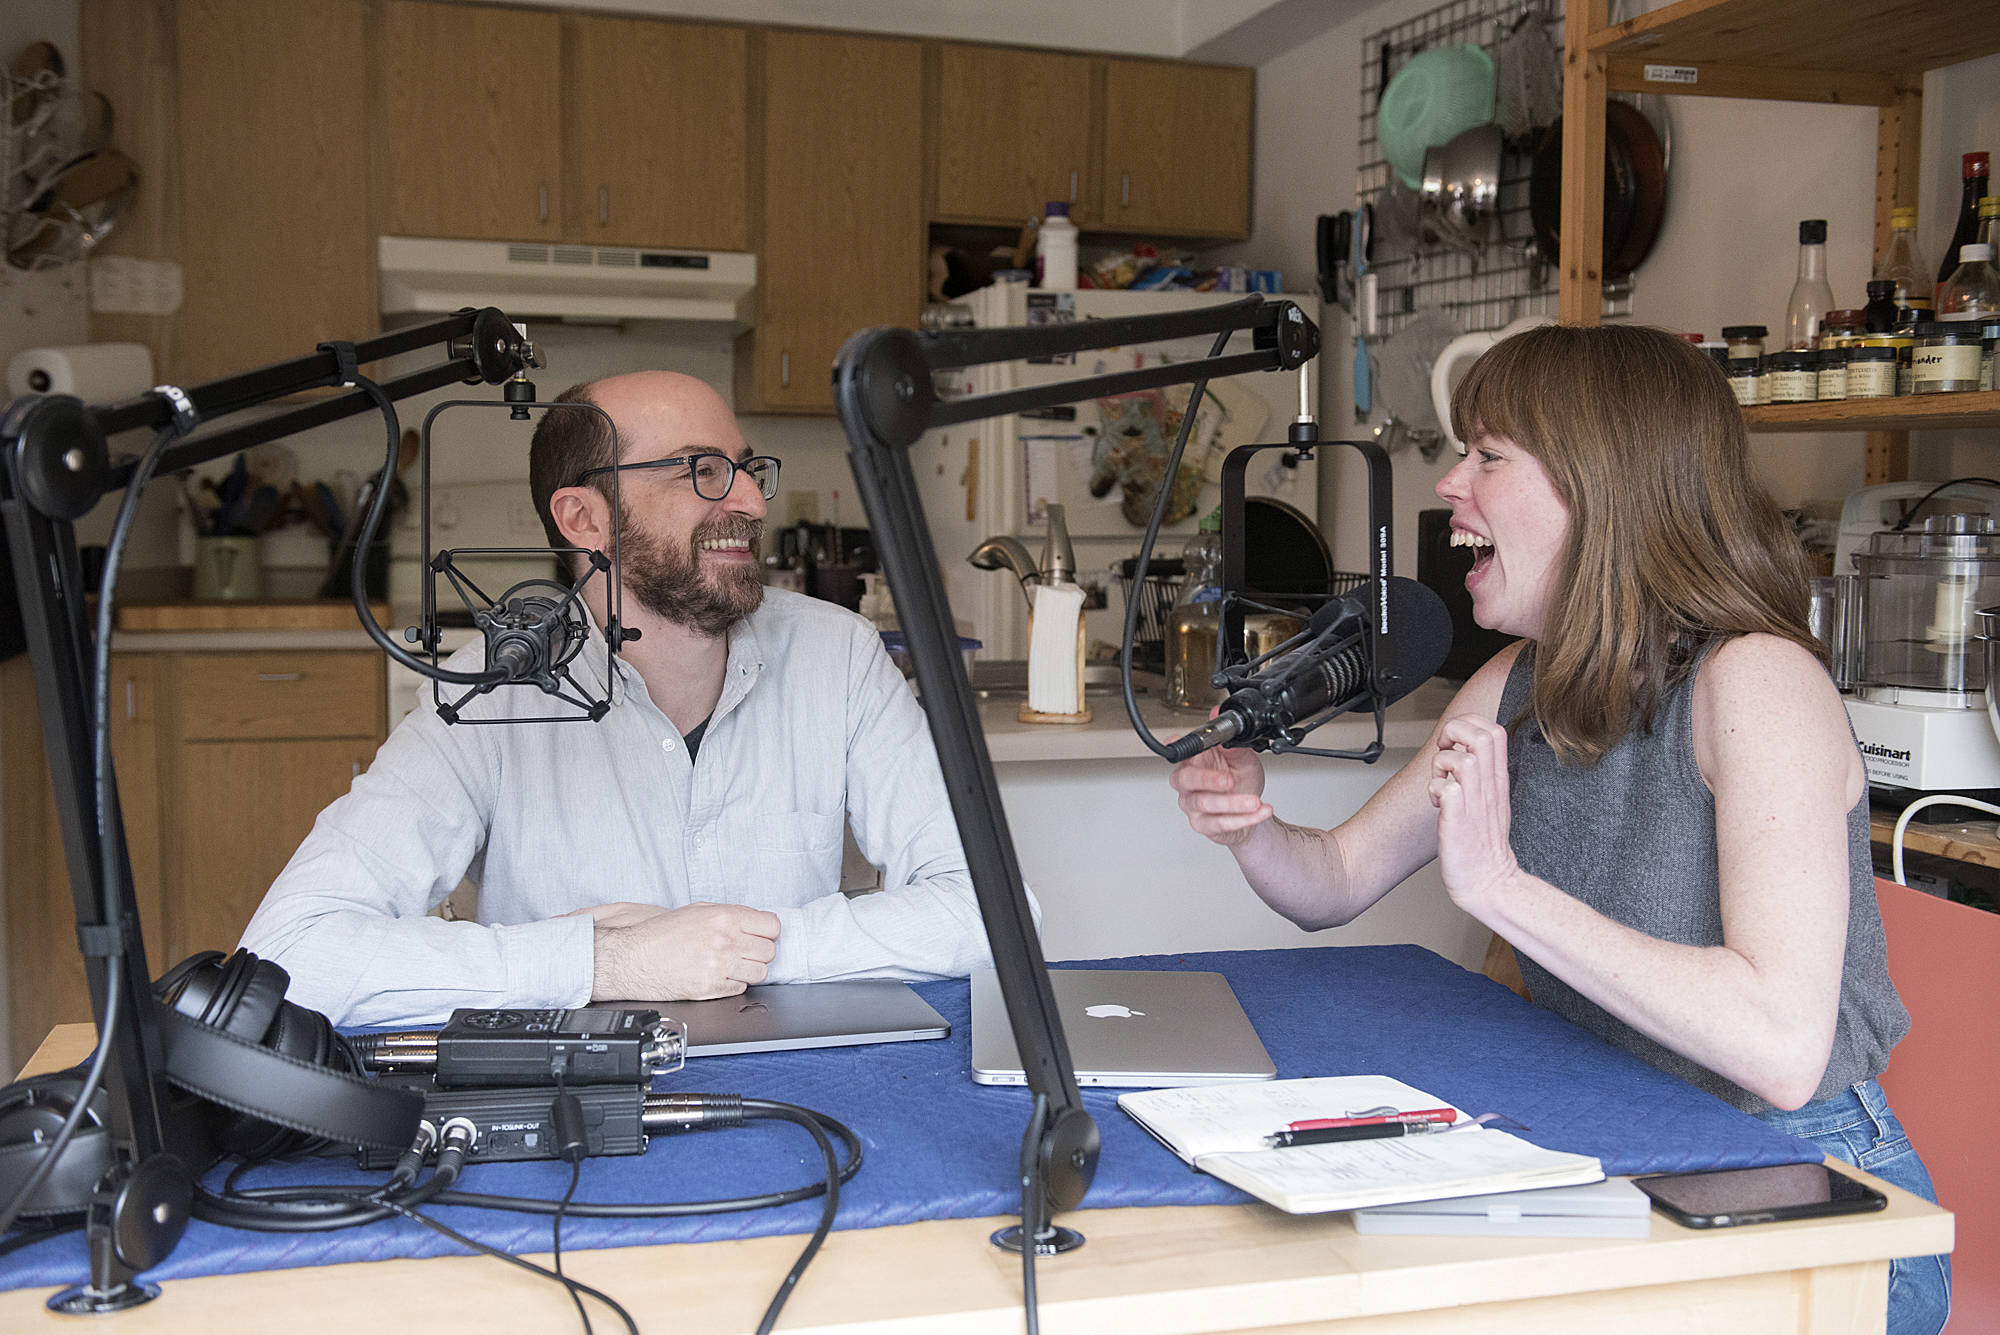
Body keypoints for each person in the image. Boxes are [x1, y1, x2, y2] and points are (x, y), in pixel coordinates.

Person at [1169, 324, 1948, 1334]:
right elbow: (1331, 882)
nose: (1449, 485)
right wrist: (1252, 828)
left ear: (1605, 487)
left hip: (1799, 1184)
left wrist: (1499, 888)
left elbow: (1780, 1047)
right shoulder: (1517, 683)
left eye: (1488, 456)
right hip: (1617, 1135)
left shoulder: (1756, 683)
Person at [241, 371, 990, 1026]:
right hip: (571, 1114)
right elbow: (288, 952)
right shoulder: (485, 697)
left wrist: (740, 947)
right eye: (702, 469)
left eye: (748, 467)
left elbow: (992, 914)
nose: (755, 500)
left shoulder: (842, 657)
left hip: (805, 1090)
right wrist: (605, 962)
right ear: (583, 519)